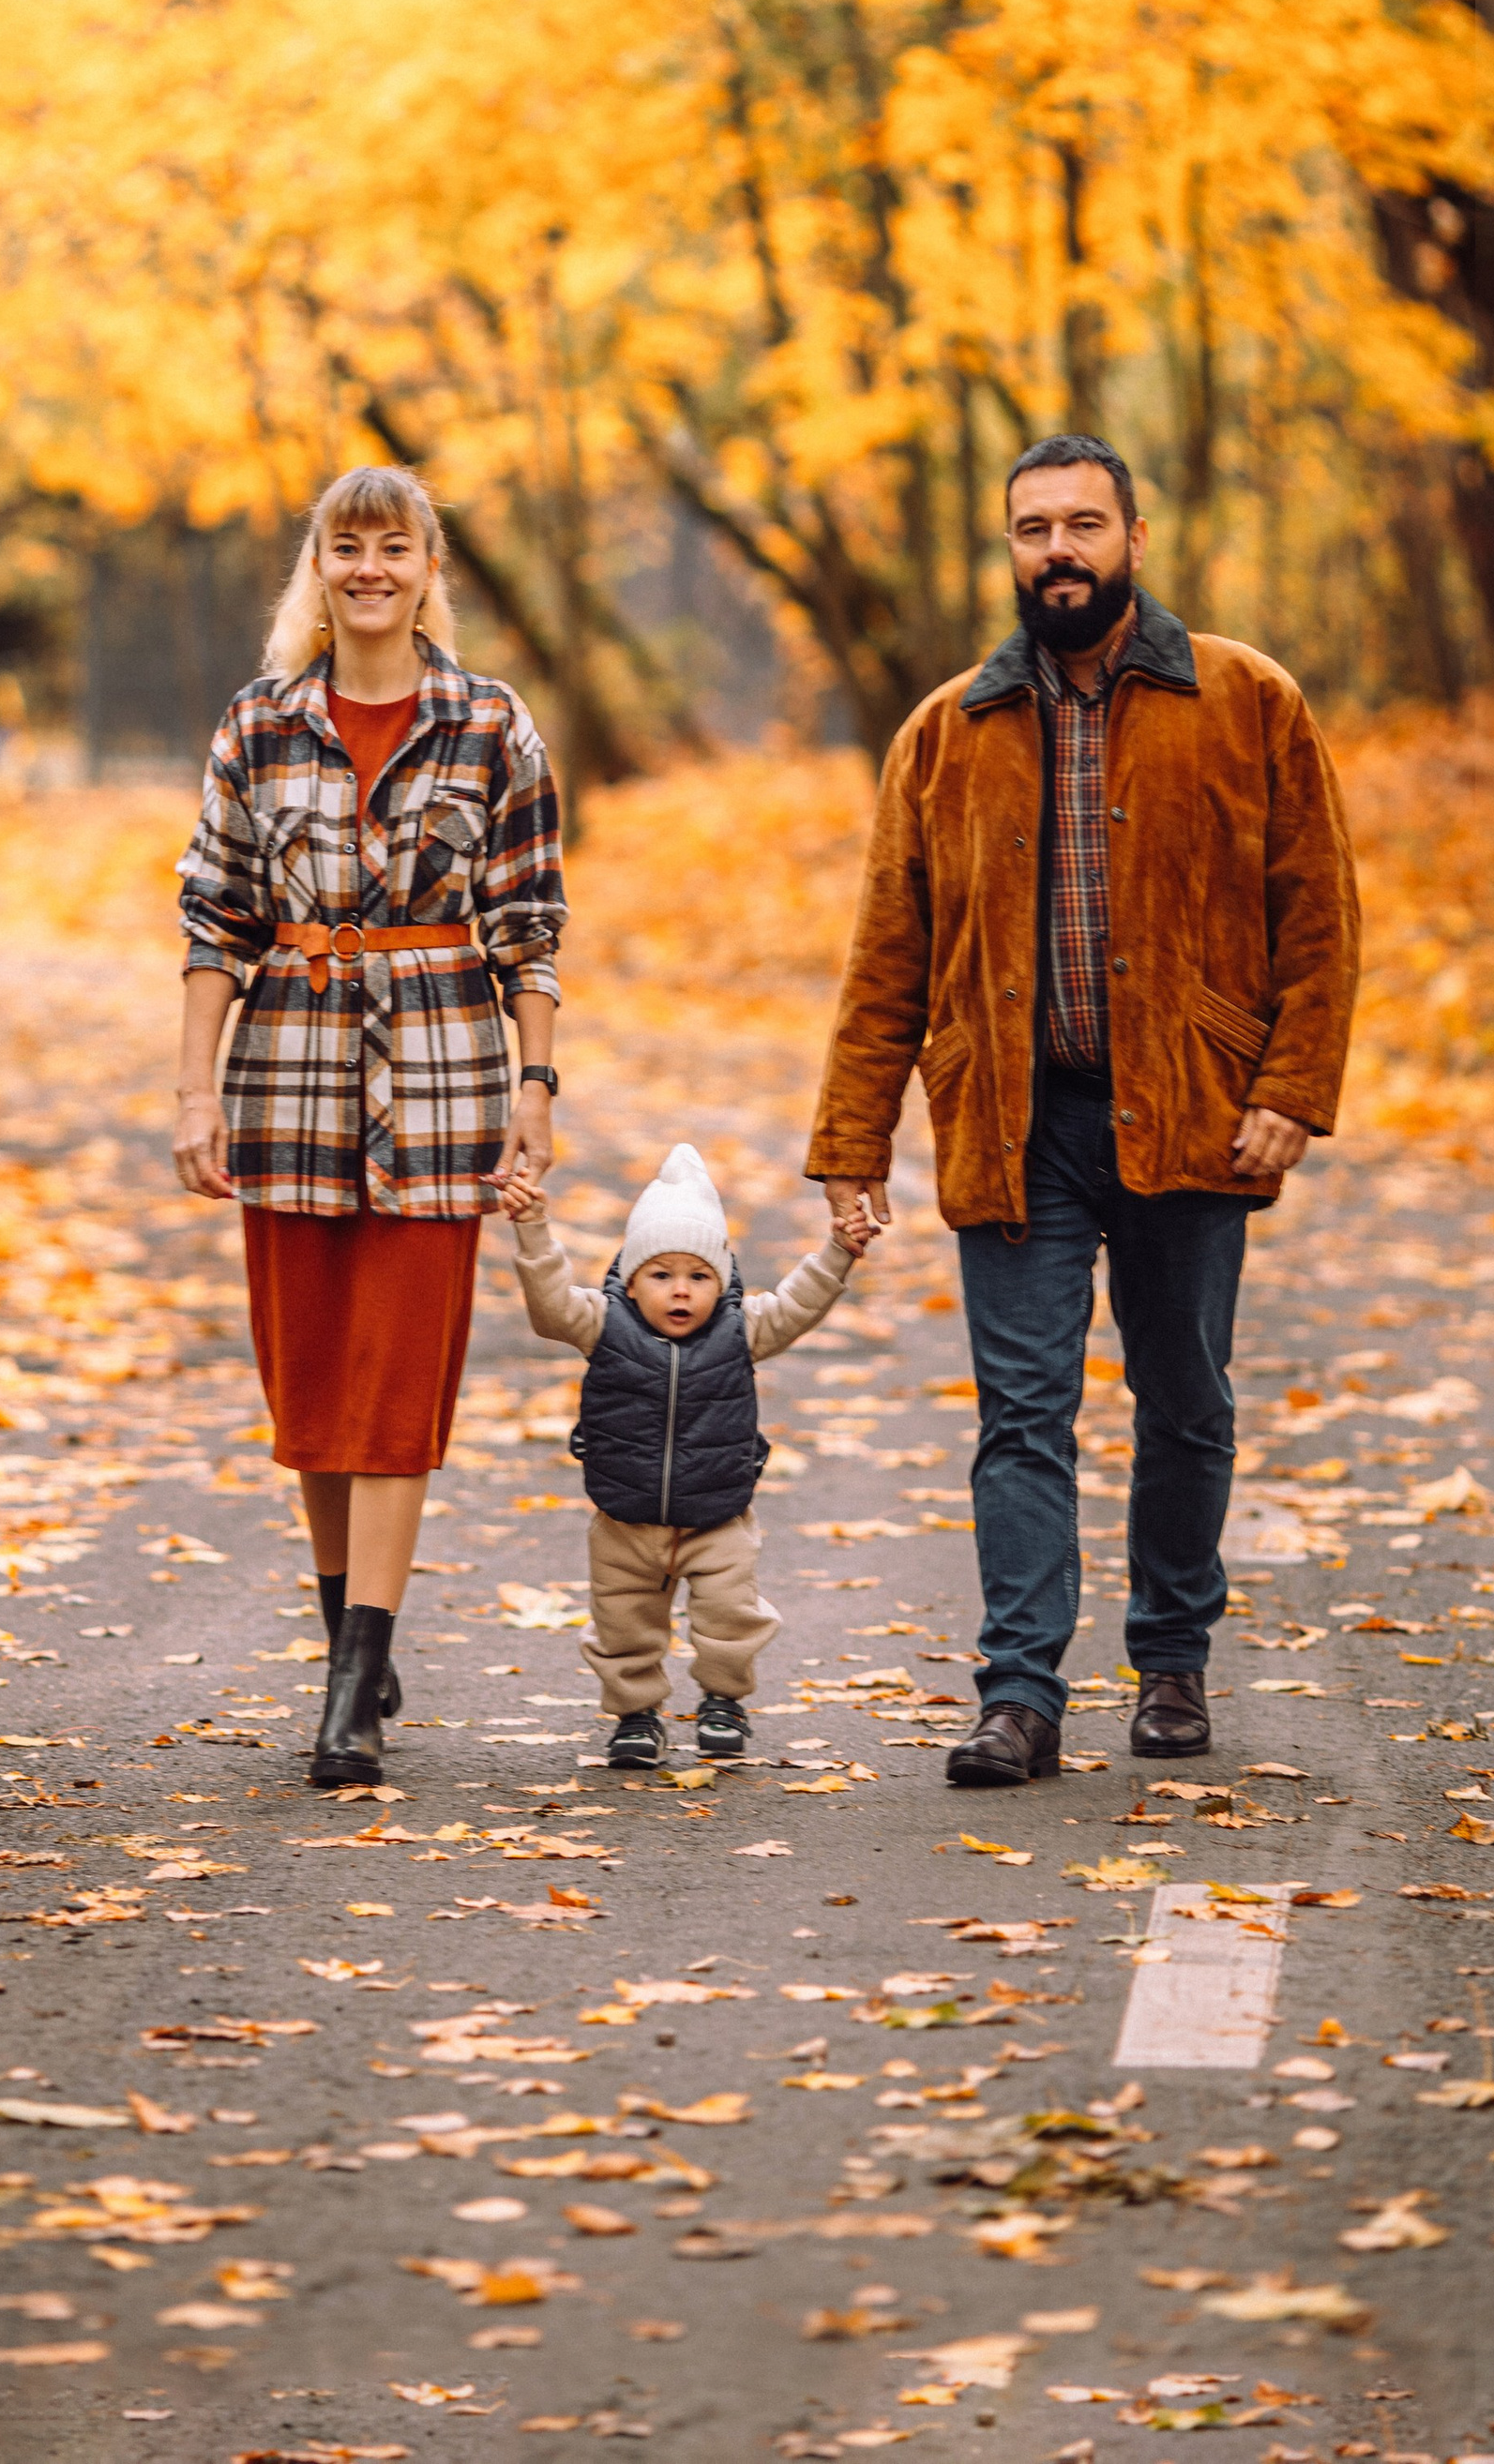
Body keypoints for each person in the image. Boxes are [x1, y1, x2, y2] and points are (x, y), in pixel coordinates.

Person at [807, 433, 1358, 1785]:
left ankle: (1170, 1666)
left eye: (1083, 525)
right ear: (1008, 549)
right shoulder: (949, 730)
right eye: (1032, 529)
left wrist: (1291, 1088)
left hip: (1190, 1112)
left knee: (1183, 1401)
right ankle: (1020, 1697)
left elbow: (1322, 915)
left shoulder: (1247, 699)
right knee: (1021, 1411)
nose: (1058, 550)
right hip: (1015, 1122)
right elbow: (890, 950)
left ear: (1134, 538)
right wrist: (851, 1140)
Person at [174, 465, 566, 1789]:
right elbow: (212, 920)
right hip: (285, 1074)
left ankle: (356, 1682)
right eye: (346, 548)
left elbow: (531, 926)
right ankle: (349, 1623)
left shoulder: (493, 726)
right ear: (319, 568)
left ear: (427, 564)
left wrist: (536, 1089)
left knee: (398, 1384)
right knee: (314, 1384)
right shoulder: (259, 726)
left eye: (393, 548)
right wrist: (192, 1091)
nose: (369, 571)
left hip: (445, 1079)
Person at [500, 1141, 877, 1765]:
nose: (682, 1292)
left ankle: (724, 1701)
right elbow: (549, 1304)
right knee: (623, 1628)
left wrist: (839, 1251)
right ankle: (635, 1717)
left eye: (699, 1277)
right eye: (663, 1275)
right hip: (625, 1520)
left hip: (717, 1517)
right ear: (630, 1279)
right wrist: (533, 1229)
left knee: (732, 1616)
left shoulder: (743, 1329)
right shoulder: (601, 1323)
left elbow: (799, 1305)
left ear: (723, 1280)